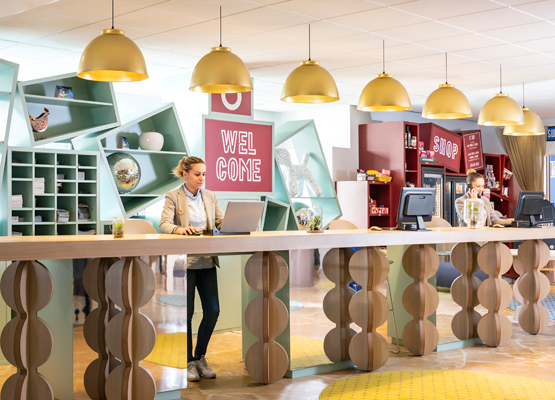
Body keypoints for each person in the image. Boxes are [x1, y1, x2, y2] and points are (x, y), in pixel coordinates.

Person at [159, 156, 224, 382]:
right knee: (186, 315)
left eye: (204, 174)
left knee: (213, 311)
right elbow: (164, 224)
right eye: (197, 174)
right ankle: (187, 361)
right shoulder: (173, 196)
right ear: (185, 174)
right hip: (185, 263)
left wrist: (235, 224)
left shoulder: (210, 196)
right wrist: (178, 229)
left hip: (207, 260)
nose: (201, 178)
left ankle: (199, 357)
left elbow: (220, 222)